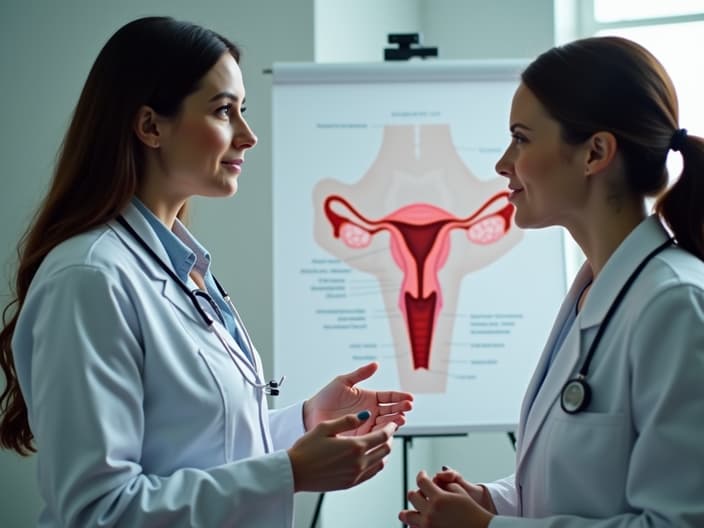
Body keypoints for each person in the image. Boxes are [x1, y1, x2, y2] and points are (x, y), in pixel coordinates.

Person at [0, 17, 413, 527]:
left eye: (244, 111)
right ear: (150, 126)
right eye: (224, 111)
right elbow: (97, 511)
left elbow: (199, 445)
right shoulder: (90, 279)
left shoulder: (182, 266)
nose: (249, 135)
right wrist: (289, 472)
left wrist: (303, 425)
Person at [399, 35, 704, 528]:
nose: (503, 163)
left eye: (521, 137)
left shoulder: (677, 305)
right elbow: (587, 487)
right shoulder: (595, 294)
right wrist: (493, 500)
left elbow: (678, 523)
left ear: (595, 153)